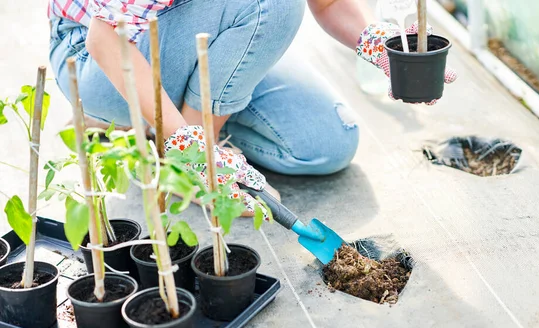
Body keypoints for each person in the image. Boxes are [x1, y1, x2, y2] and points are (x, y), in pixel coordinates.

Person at [48, 0, 456, 214]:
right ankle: (187, 157)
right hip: (96, 59)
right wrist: (193, 149)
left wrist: (380, 45)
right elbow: (104, 41)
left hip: (207, 31)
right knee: (273, 4)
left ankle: (178, 122)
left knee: (329, 141)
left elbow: (329, 3)